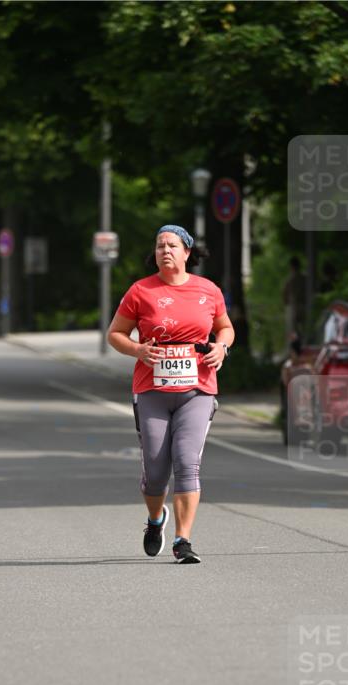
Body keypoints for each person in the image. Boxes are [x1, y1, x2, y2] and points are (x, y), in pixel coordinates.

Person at [107, 224, 234, 564]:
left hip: (198, 388)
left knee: (187, 463)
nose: (165, 250)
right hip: (152, 389)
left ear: (187, 253)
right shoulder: (140, 291)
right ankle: (155, 520)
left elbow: (225, 327)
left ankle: (183, 541)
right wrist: (137, 350)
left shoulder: (208, 290)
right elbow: (115, 334)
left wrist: (221, 347)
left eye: (172, 245)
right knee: (156, 469)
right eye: (160, 245)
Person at [282, 256, 306, 349]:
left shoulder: (290, 280)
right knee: (303, 329)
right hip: (303, 306)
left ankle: (293, 348)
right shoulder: (304, 279)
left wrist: (287, 303)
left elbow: (284, 295)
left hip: (293, 307)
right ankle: (303, 346)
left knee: (292, 331)